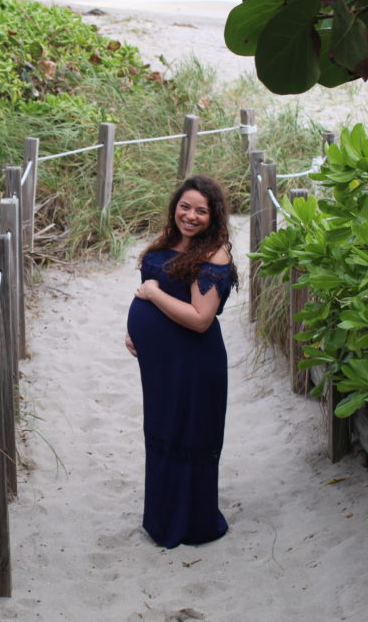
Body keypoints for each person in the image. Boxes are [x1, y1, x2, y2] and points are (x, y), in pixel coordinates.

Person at [125, 174, 238, 549]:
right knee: (161, 433)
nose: (190, 216)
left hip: (193, 365)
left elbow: (199, 318)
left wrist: (153, 295)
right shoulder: (170, 241)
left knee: (188, 435)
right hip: (160, 363)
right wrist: (137, 330)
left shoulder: (213, 254)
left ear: (214, 216)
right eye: (185, 206)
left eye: (201, 211)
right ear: (175, 205)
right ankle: (161, 519)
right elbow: (155, 288)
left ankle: (192, 524)